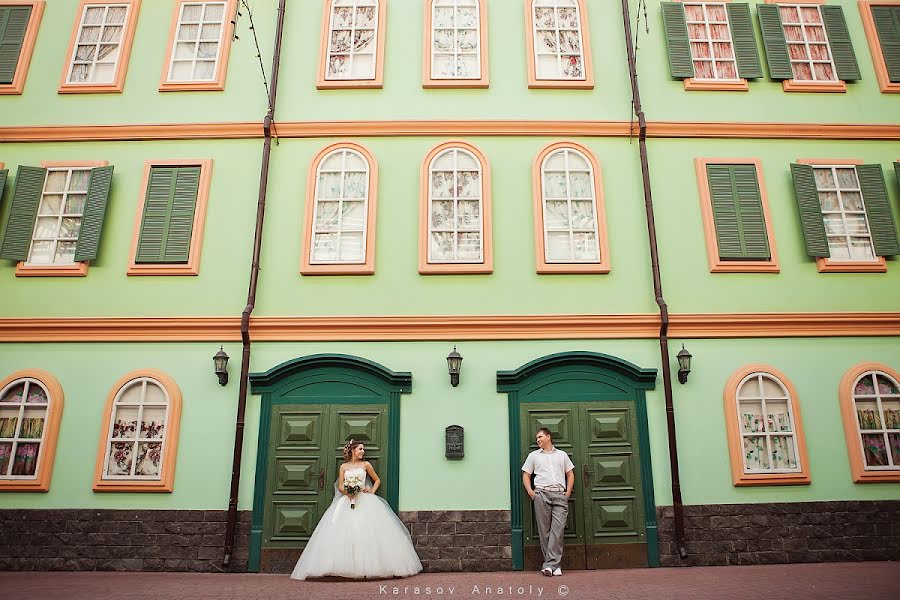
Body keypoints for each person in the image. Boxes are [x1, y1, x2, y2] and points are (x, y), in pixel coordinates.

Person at [290, 440, 422, 580]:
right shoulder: (343, 467)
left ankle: (370, 567)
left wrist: (371, 491)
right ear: (352, 450)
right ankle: (341, 567)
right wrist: (348, 492)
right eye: (360, 449)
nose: (362, 451)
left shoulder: (366, 465)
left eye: (363, 449)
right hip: (347, 500)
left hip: (365, 500)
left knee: (366, 530)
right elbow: (340, 486)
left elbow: (377, 480)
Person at [521, 427, 575, 577]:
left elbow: (570, 474)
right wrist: (532, 493)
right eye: (536, 438)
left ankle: (549, 565)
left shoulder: (562, 455)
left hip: (559, 494)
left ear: (548, 437)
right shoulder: (533, 456)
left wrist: (568, 492)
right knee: (544, 531)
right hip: (541, 494)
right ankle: (554, 567)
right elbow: (526, 475)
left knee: (557, 530)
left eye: (540, 437)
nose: (538, 440)